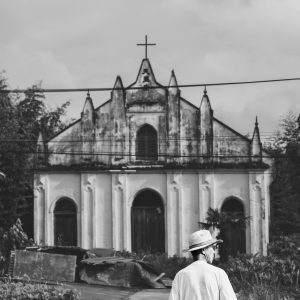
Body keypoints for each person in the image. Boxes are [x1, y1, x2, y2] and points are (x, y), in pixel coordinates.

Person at [169, 230, 237, 300]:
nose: (214, 251)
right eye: (213, 247)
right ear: (203, 250)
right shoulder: (219, 274)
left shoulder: (180, 276)